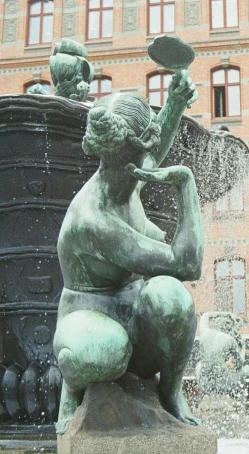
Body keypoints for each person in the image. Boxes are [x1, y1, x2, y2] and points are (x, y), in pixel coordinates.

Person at [53, 70, 200, 435]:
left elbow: (153, 146)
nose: (156, 156)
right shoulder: (94, 220)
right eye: (146, 151)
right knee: (106, 350)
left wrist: (175, 103)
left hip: (132, 313)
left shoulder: (125, 179)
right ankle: (72, 392)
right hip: (89, 319)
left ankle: (170, 390)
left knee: (171, 298)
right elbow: (187, 263)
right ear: (134, 155)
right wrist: (185, 186)